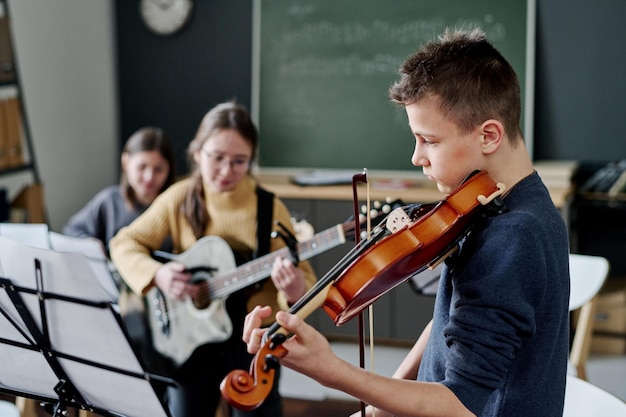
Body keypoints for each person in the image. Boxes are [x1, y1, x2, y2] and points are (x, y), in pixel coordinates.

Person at [241, 27, 570, 417]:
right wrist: (376, 411)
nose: (417, 157)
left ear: (489, 136)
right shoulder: (501, 203)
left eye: (428, 140)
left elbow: (459, 405)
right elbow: (448, 325)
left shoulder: (514, 235)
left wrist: (333, 372)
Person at [109, 100, 317, 417]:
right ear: (197, 153)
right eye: (216, 158)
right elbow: (124, 243)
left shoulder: (268, 208)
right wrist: (158, 276)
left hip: (251, 343)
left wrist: (295, 291)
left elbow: (308, 284)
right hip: (190, 339)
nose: (225, 171)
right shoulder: (179, 197)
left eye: (239, 161)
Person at [63, 126, 177, 378]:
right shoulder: (109, 201)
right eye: (142, 167)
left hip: (163, 307)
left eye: (158, 169)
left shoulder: (174, 205)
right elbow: (72, 230)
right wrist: (90, 242)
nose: (149, 176)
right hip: (114, 300)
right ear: (126, 162)